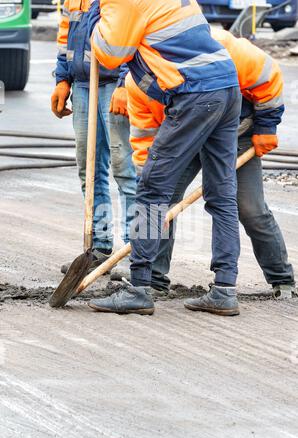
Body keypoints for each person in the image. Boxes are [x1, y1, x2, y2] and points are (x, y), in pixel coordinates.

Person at [88, 0, 242, 316]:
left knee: (150, 190)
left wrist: (95, 14)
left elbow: (110, 52)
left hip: (195, 94)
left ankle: (140, 288)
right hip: (225, 87)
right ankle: (225, 290)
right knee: (222, 194)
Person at [122, 28, 296, 306]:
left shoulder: (220, 46)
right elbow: (145, 139)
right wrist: (150, 180)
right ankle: (153, 279)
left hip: (233, 131)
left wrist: (267, 125)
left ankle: (281, 278)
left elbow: (268, 73)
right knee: (161, 203)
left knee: (249, 207)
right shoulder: (139, 84)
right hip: (183, 134)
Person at [51, 0, 136, 279]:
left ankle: (137, 253)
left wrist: (126, 83)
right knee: (88, 171)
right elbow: (65, 40)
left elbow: (135, 35)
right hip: (83, 85)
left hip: (114, 85)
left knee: (125, 170)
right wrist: (62, 80)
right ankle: (98, 246)